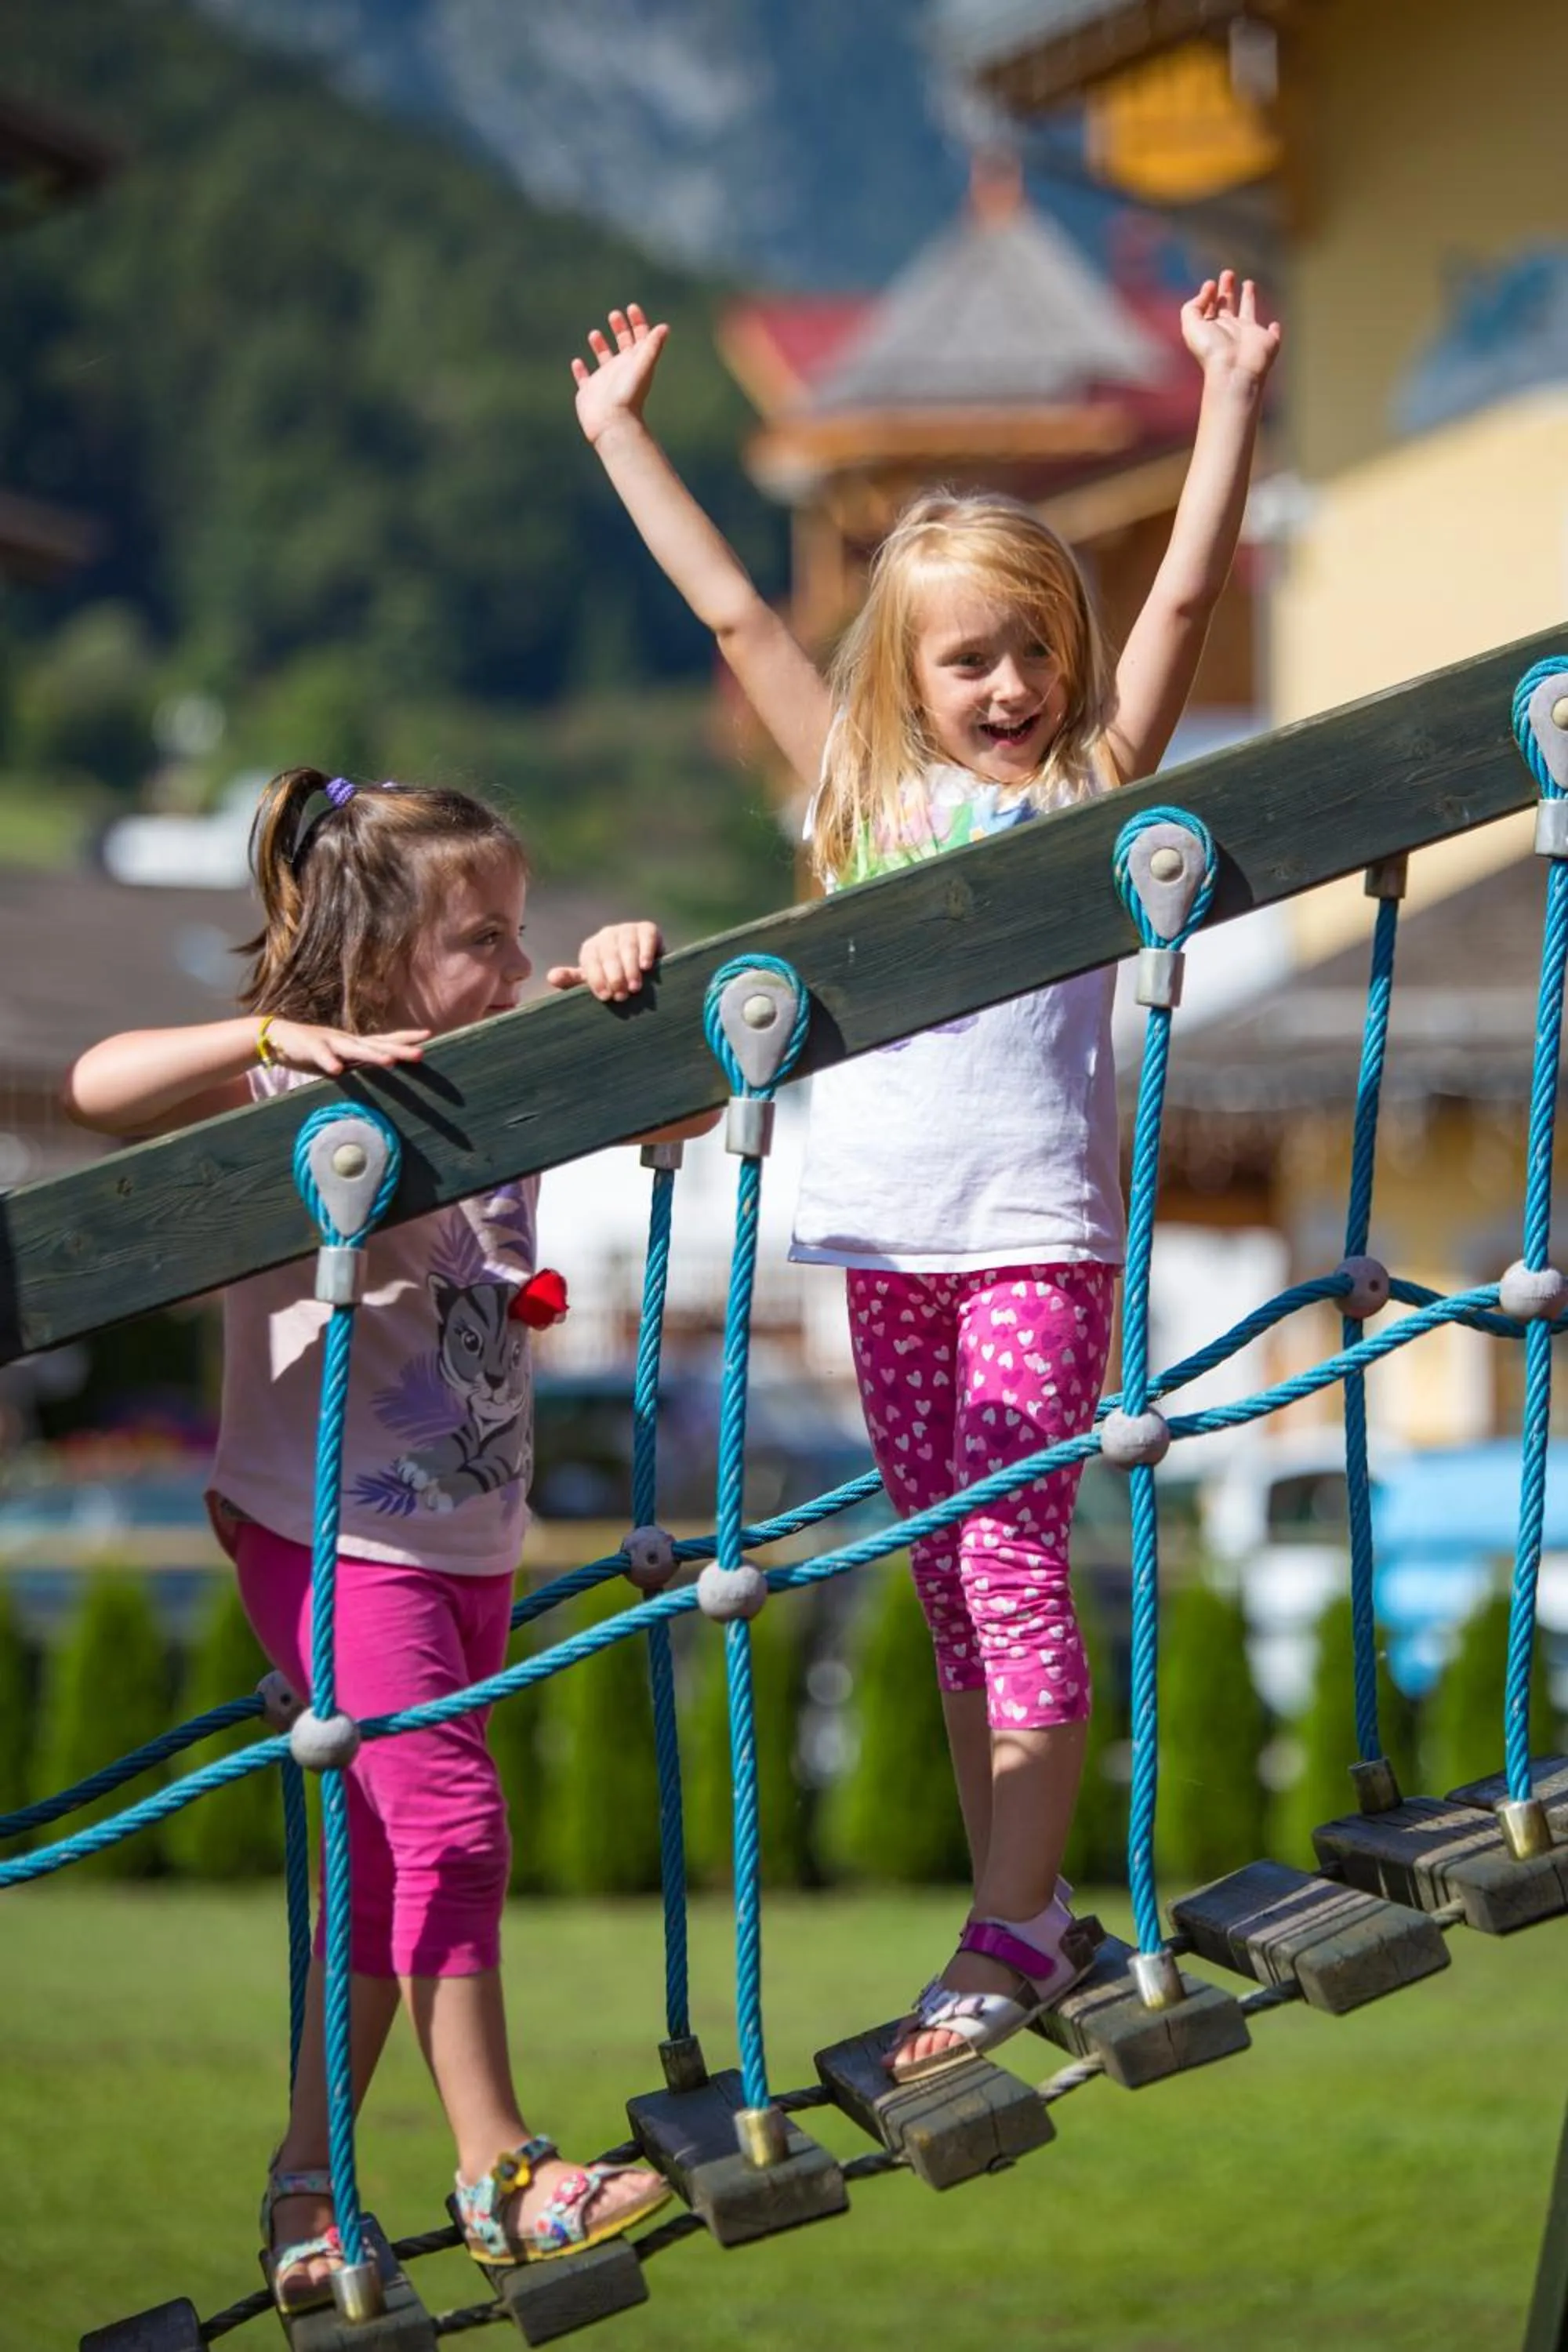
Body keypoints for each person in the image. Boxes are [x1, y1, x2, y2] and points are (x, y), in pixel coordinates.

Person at [570, 278, 1281, 2078]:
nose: (1012, 687)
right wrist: (621, 437)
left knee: (1013, 1562)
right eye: (970, 658)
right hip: (880, 1246)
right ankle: (1021, 1910)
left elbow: (1187, 593)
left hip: (1036, 1242)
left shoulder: (1091, 797)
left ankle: (1001, 1926)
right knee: (946, 1582)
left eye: (1035, 649)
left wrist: (1223, 401)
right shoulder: (855, 803)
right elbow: (738, 607)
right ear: (902, 676)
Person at [64, 768, 677, 2310]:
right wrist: (274, 1032)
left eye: (519, 928)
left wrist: (619, 988)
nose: (506, 958)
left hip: (465, 1541)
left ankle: (303, 2182)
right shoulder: (300, 1096)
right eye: (481, 935)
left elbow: (700, 1101)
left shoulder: (517, 1076)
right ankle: (499, 2171)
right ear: (376, 948)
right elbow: (98, 1085)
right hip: (330, 1536)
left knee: (383, 1875)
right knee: (457, 1831)